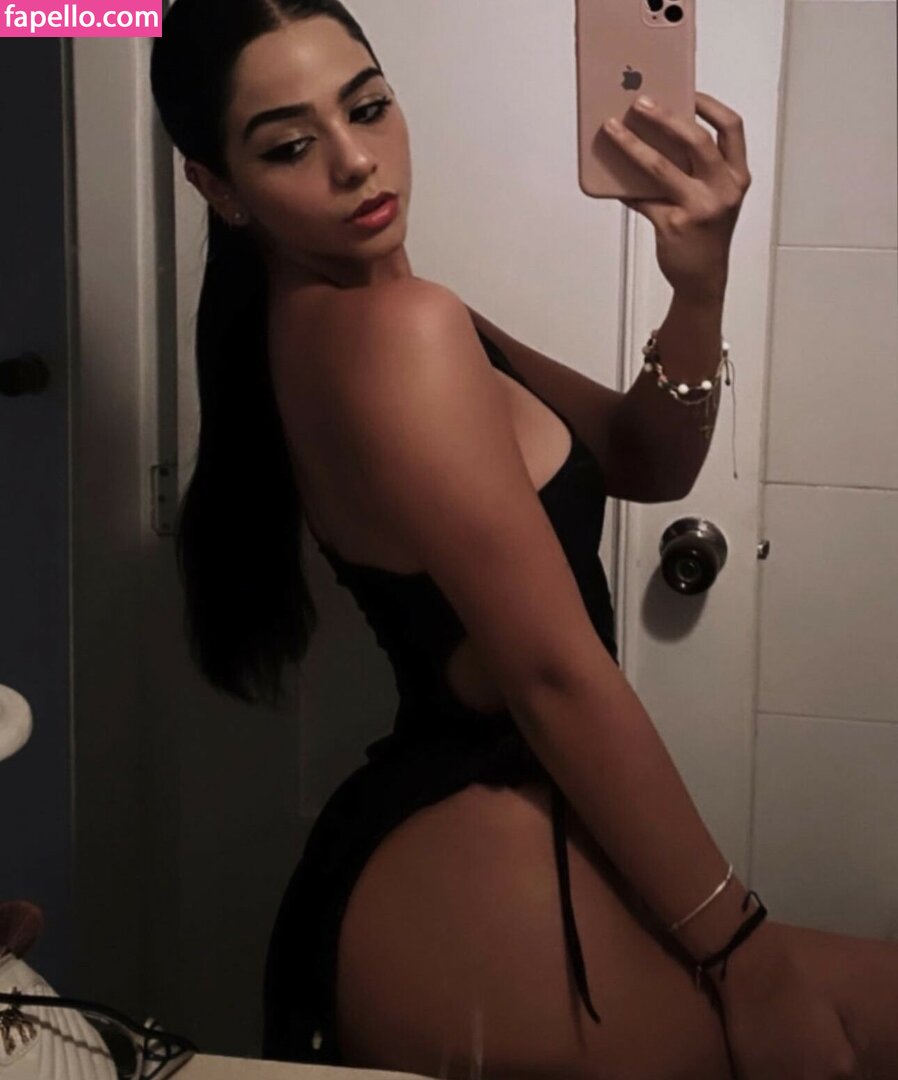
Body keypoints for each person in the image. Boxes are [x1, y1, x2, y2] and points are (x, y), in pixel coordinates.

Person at [149, 3, 898, 1077]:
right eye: (289, 145)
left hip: (454, 856)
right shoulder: (394, 333)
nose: (356, 161)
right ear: (216, 185)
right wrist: (744, 957)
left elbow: (644, 459)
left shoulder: (392, 316)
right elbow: (551, 674)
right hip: (481, 880)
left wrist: (698, 285)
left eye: (367, 106)